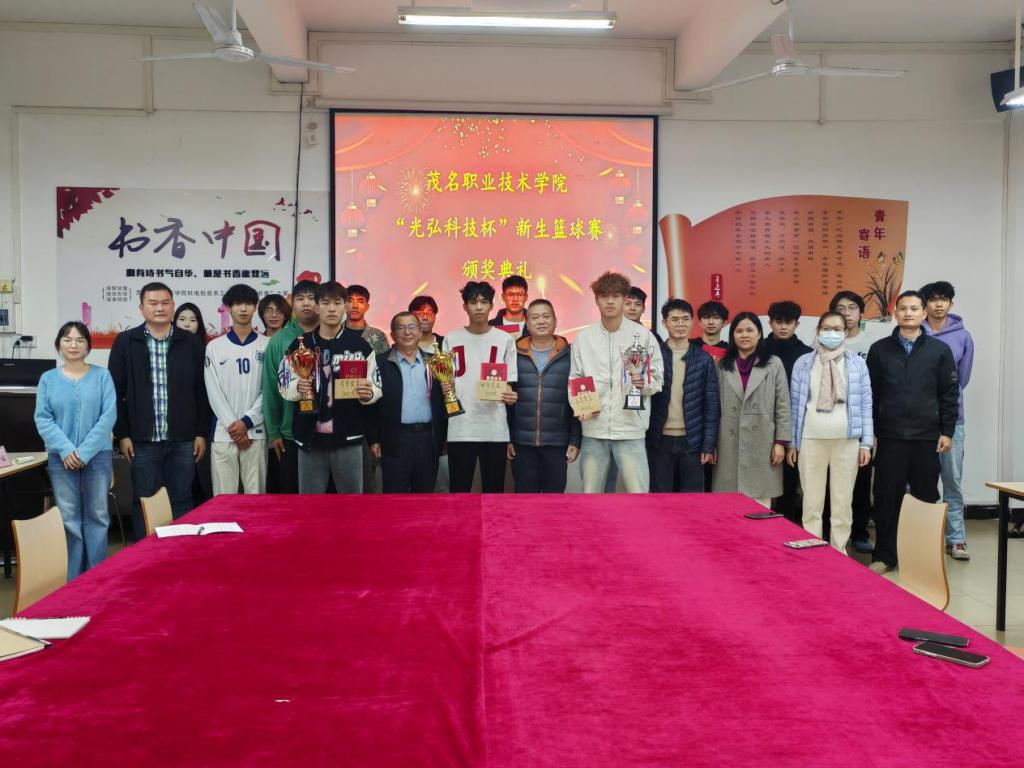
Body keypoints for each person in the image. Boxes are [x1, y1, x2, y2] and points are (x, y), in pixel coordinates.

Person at [866, 290, 959, 574]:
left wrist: (947, 431)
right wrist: (872, 432)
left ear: (924, 313)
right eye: (903, 308)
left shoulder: (939, 351)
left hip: (926, 437)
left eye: (914, 308)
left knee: (925, 498)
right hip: (890, 437)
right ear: (895, 313)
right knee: (886, 498)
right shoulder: (880, 350)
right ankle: (885, 555)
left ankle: (921, 557)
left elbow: (949, 394)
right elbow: (871, 395)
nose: (908, 313)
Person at [109, 283, 209, 540]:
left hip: (183, 439)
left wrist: (200, 433)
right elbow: (115, 392)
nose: (160, 308)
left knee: (182, 498)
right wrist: (123, 434)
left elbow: (201, 391)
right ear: (141, 308)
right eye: (153, 303)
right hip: (141, 440)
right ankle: (145, 556)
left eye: (165, 303)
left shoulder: (190, 343)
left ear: (173, 306)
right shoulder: (125, 342)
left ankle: (181, 554)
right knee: (144, 500)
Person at [279, 281, 381, 494]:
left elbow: (376, 385)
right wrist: (299, 387)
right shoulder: (301, 345)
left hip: (349, 438)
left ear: (345, 307)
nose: (332, 309)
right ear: (317, 307)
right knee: (310, 503)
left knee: (350, 503)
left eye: (337, 303)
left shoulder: (359, 345)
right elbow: (284, 383)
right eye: (325, 303)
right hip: (309, 439)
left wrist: (368, 394)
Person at [33, 322, 116, 579]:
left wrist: (84, 452)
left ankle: (96, 576)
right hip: (61, 458)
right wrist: (67, 450)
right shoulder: (48, 379)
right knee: (69, 518)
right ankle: (74, 580)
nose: (73, 345)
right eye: (67, 339)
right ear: (59, 344)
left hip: (98, 456)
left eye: (80, 340)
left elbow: (108, 416)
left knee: (98, 516)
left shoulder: (102, 376)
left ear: (88, 346)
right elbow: (43, 419)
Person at [788, 312, 873, 553]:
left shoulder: (857, 364)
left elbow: (865, 404)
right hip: (810, 439)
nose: (831, 333)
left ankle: (839, 551)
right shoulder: (804, 363)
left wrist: (866, 443)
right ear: (818, 331)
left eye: (837, 329)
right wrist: (792, 442)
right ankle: (813, 552)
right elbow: (795, 405)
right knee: (811, 502)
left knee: (842, 502)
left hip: (847, 441)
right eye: (826, 328)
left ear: (845, 332)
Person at [570, 271, 663, 493]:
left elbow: (658, 378)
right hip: (594, 430)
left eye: (616, 296)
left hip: (631, 429)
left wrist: (642, 383)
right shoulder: (584, 338)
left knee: (638, 494)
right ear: (596, 300)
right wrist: (581, 407)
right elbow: (576, 378)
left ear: (624, 299)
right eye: (604, 296)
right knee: (590, 494)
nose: (610, 301)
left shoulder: (643, 336)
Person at [442, 281, 519, 492]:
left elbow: (509, 382)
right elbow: (446, 381)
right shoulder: (451, 338)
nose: (478, 307)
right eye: (473, 302)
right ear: (464, 306)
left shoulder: (505, 340)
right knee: (459, 491)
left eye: (484, 302)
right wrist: (445, 388)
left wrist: (510, 395)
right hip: (461, 427)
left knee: (494, 491)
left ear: (492, 306)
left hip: (494, 428)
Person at [712, 312, 791, 507]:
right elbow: (714, 405)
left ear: (759, 333)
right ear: (732, 335)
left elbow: (783, 405)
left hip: (763, 439)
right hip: (728, 440)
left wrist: (780, 442)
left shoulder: (773, 363)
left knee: (759, 503)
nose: (744, 335)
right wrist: (711, 442)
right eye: (739, 331)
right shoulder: (722, 364)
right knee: (728, 503)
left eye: (749, 330)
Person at [921, 281, 975, 561]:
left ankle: (956, 539)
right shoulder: (916, 332)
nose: (939, 304)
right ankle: (923, 537)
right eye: (933, 299)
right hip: (919, 419)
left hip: (952, 418)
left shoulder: (963, 336)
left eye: (944, 299)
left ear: (951, 304)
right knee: (919, 481)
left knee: (952, 480)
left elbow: (961, 379)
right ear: (925, 304)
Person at [646, 299, 719, 492]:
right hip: (659, 439)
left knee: (692, 497)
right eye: (675, 319)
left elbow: (711, 406)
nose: (680, 324)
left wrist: (708, 445)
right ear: (664, 323)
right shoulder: (654, 356)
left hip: (692, 440)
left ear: (692, 322)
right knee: (660, 496)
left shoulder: (703, 359)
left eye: (685, 319)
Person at [508, 299, 580, 493]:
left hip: (557, 443)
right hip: (522, 444)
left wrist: (574, 440)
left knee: (553, 502)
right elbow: (504, 402)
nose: (541, 321)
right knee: (524, 501)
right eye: (535, 317)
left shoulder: (571, 355)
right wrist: (508, 439)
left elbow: (577, 401)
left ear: (555, 320)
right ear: (526, 322)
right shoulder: (512, 354)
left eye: (546, 316)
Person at [369, 312, 447, 493]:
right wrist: (374, 439)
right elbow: (372, 406)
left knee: (425, 495)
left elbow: (443, 403)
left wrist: (443, 437)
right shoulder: (380, 363)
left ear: (420, 332)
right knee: (394, 496)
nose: (407, 332)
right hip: (395, 439)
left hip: (428, 439)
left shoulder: (435, 362)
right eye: (401, 328)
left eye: (412, 327)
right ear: (392, 334)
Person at [204, 284, 269, 495]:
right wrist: (235, 426)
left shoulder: (267, 345)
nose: (243, 309)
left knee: (255, 496)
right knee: (223, 498)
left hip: (256, 431)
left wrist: (247, 422)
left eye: (248, 304)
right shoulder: (214, 347)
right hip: (224, 433)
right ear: (228, 308)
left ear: (255, 307)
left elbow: (269, 390)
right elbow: (213, 391)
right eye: (237, 304)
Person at [263, 279, 319, 493]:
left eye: (312, 298)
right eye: (300, 299)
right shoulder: (279, 340)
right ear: (292, 304)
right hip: (290, 432)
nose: (306, 303)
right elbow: (270, 388)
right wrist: (274, 432)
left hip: (327, 432)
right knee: (292, 497)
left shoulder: (329, 335)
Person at [829, 289, 874, 552]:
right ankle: (829, 534)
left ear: (861, 313)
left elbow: (873, 390)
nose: (846, 313)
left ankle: (859, 532)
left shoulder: (873, 344)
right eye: (841, 308)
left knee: (861, 481)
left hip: (860, 423)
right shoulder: (820, 343)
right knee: (831, 483)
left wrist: (870, 432)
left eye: (852, 308)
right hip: (830, 424)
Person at [762, 300, 813, 523]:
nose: (783, 327)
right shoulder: (758, 350)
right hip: (762, 421)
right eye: (778, 321)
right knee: (761, 477)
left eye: (789, 322)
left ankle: (788, 525)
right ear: (770, 323)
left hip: (793, 423)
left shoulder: (807, 354)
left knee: (790, 479)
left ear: (797, 324)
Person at [173, 302, 213, 504]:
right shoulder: (167, 353)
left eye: (192, 320)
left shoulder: (208, 351)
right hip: (176, 429)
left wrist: (201, 432)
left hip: (203, 428)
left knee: (203, 481)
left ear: (199, 324)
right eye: (181, 319)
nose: (187, 324)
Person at [345, 284, 390, 355]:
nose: (355, 306)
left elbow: (385, 361)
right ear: (343, 305)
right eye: (350, 301)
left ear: (367, 307)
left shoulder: (378, 336)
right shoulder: (334, 333)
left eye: (360, 301)